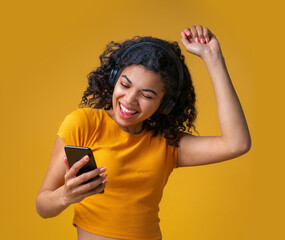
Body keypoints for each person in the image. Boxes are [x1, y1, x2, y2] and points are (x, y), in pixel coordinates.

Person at [36, 25, 251, 240]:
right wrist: (65, 195)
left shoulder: (166, 144)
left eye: (146, 96)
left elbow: (237, 144)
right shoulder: (83, 124)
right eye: (125, 85)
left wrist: (213, 57)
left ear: (165, 104)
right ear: (114, 79)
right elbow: (43, 207)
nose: (129, 100)